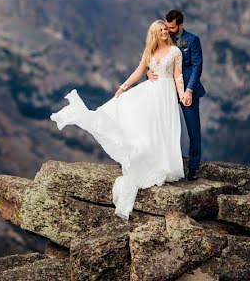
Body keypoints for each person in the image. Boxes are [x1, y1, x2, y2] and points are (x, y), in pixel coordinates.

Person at [50, 20, 186, 219]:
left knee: (164, 127)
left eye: (166, 29)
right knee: (146, 126)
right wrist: (122, 88)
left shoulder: (175, 52)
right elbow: (139, 72)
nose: (164, 32)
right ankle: (154, 162)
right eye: (161, 30)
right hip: (150, 93)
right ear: (154, 34)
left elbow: (178, 75)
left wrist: (182, 95)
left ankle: (166, 164)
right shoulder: (149, 52)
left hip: (166, 93)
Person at [147, 9, 204, 180]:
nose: (168, 30)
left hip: (187, 91)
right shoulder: (162, 37)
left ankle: (194, 168)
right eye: (166, 26)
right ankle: (164, 165)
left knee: (193, 129)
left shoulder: (192, 40)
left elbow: (197, 67)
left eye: (171, 28)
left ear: (180, 25)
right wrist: (149, 72)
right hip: (165, 91)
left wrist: (189, 91)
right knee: (162, 128)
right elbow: (152, 59)